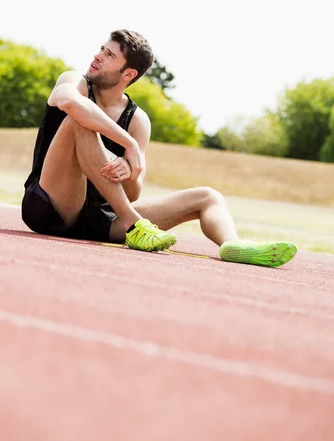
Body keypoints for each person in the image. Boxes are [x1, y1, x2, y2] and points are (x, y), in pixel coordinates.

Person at [22, 29, 297, 268]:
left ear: (128, 74)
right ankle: (136, 226)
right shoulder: (75, 82)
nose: (97, 56)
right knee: (80, 120)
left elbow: (133, 191)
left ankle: (233, 246)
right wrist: (127, 145)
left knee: (208, 196)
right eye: (101, 49)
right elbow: (66, 101)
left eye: (109, 55)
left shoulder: (138, 120)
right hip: (51, 207)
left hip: (101, 220)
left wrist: (128, 170)